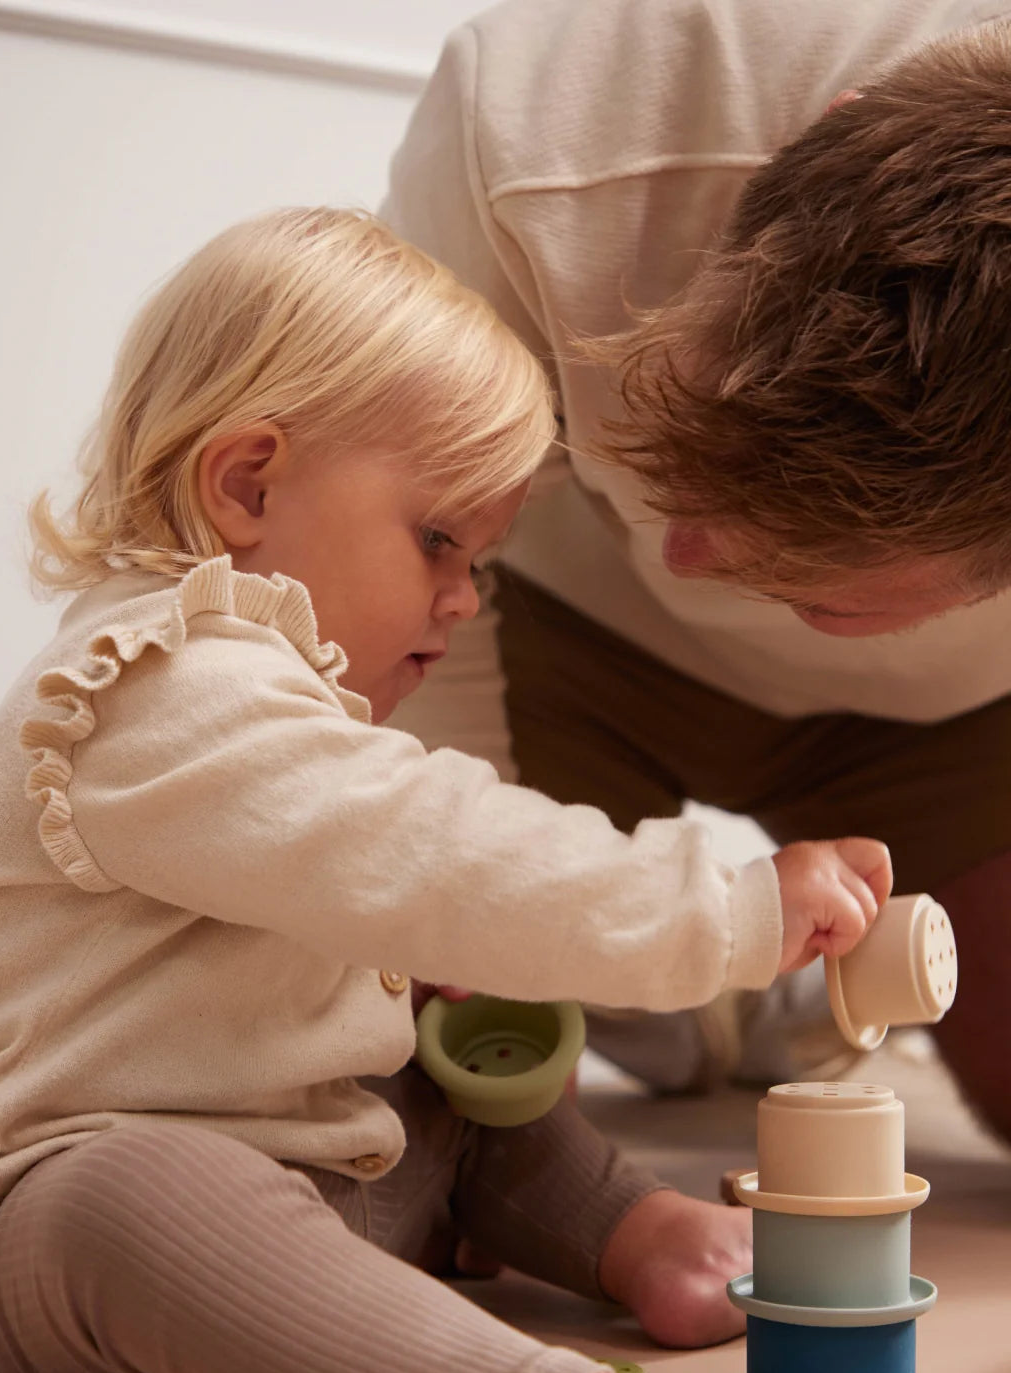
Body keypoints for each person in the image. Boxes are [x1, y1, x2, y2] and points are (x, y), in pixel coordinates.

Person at [0, 207, 890, 1373]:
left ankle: (618, 1227)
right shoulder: (153, 687)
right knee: (134, 1194)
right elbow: (440, 852)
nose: (460, 602)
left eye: (480, 561)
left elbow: (397, 894)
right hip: (46, 1269)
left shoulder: (285, 707)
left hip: (318, 1184)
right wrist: (726, 907)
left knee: (453, 1047)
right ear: (246, 484)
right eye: (440, 539)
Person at [382, 0, 1011, 1133]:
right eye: (679, 459)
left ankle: (741, 996)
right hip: (560, 627)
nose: (682, 553)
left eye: (814, 591)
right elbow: (413, 527)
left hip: (960, 717)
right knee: (464, 1121)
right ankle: (681, 994)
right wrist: (474, 880)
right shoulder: (532, 127)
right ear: (821, 141)